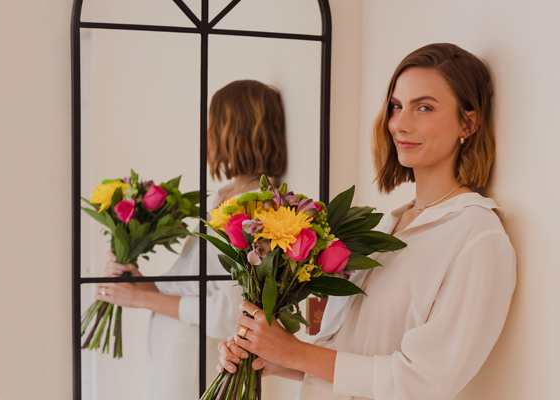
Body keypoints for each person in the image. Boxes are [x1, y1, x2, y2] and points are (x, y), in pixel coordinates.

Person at [218, 43, 517, 400]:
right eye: (396, 106)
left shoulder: (477, 238)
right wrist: (269, 356)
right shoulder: (384, 228)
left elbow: (421, 381)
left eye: (424, 107)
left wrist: (293, 352)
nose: (400, 124)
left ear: (468, 123)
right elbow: (352, 358)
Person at [94, 80, 288, 399]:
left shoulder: (252, 207)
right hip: (174, 352)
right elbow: (198, 286)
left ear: (232, 130)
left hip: (193, 360)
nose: (209, 134)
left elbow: (230, 312)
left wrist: (141, 299)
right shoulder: (226, 198)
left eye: (214, 124)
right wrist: (141, 283)